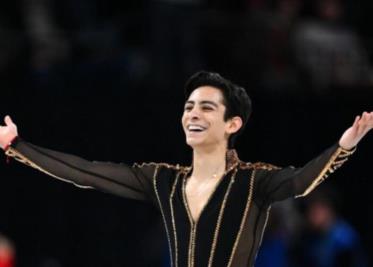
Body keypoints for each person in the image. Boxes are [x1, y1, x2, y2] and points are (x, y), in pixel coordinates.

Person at [0, 71, 372, 267]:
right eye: (189, 106)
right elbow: (86, 172)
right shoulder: (162, 179)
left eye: (207, 107)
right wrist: (18, 148)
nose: (193, 113)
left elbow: (302, 181)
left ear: (233, 124)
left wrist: (345, 146)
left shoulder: (254, 181)